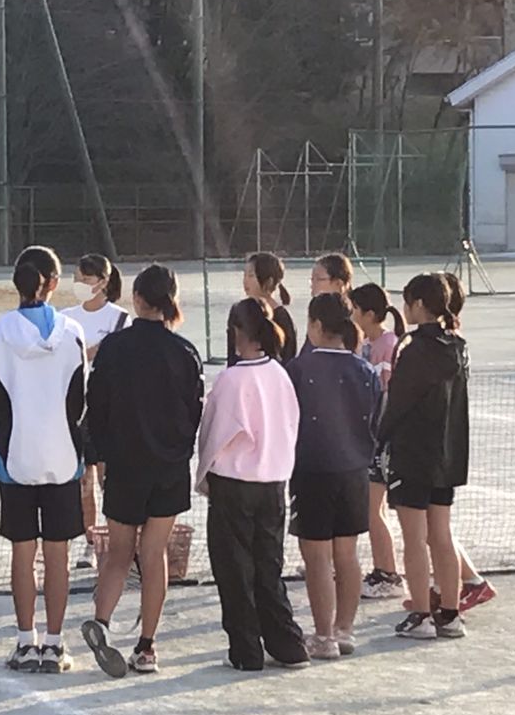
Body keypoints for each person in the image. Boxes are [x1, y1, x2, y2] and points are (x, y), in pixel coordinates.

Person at [83, 265, 204, 677]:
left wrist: (101, 456)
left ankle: (101, 622)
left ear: (136, 299)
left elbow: (95, 405)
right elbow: (194, 412)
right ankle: (147, 646)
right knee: (154, 554)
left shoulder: (114, 348)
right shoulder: (185, 352)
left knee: (119, 553)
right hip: (168, 468)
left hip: (124, 465)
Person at [0, 246, 87, 675]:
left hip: (15, 458)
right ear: (53, 283)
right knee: (58, 554)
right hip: (63, 457)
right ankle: (55, 644)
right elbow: (79, 398)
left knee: (22, 553)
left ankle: (25, 642)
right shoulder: (72, 332)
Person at [196, 299, 309, 671]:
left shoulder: (232, 379)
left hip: (234, 483)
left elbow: (214, 433)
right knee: (268, 566)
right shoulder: (279, 373)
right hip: (273, 481)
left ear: (236, 331)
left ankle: (246, 650)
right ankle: (287, 643)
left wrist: (205, 474)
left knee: (235, 570)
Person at [286, 293, 381, 660]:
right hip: (354, 471)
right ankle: (344, 629)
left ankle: (324, 635)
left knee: (317, 557)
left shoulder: (299, 369)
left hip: (313, 469)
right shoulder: (365, 370)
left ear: (315, 325)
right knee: (346, 552)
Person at [379, 274, 470, 640]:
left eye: (408, 301)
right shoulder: (457, 346)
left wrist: (379, 438)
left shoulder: (413, 348)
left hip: (413, 453)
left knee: (415, 537)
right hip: (446, 454)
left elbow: (398, 402)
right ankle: (450, 613)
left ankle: (420, 614)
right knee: (441, 534)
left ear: (418, 304)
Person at [60, 253, 128, 566]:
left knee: (108, 477)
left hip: (110, 409)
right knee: (83, 481)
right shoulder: (65, 318)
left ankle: (118, 540)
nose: (79, 284)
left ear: (102, 282)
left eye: (86, 279)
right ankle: (90, 542)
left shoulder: (120, 318)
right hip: (76, 407)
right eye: (76, 278)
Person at [441, 272, 496, 613]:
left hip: (438, 447)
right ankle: (444, 585)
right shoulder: (450, 342)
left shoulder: (447, 344)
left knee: (435, 528)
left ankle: (471, 581)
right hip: (443, 445)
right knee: (433, 527)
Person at [350, 283, 406, 601]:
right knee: (373, 507)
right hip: (371, 437)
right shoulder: (368, 344)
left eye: (355, 310)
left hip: (381, 439)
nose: (351, 316)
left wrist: (377, 435)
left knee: (373, 509)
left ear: (369, 314)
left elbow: (385, 394)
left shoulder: (388, 345)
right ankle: (382, 570)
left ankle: (388, 574)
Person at [229, 252, 297, 365]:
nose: (245, 281)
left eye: (251, 276)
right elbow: (232, 355)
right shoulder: (238, 311)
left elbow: (288, 359)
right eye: (244, 275)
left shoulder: (282, 317)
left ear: (268, 281)